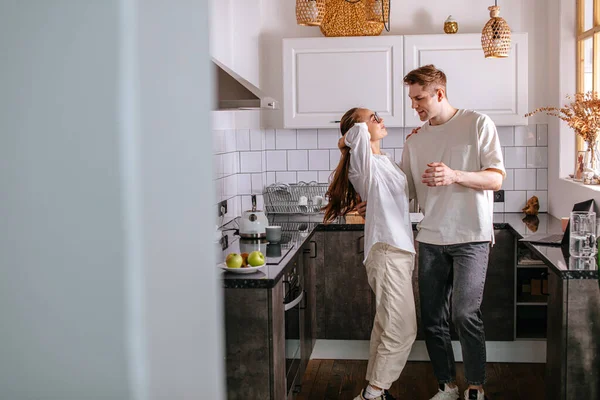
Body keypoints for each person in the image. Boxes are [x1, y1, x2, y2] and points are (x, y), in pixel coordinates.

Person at [323, 107, 416, 400]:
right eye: (373, 117)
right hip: (386, 250)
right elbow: (354, 134)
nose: (380, 120)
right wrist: (348, 135)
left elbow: (397, 199)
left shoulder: (383, 161)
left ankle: (375, 390)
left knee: (386, 324)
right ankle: (373, 394)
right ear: (358, 130)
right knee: (400, 327)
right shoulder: (361, 164)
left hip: (399, 249)